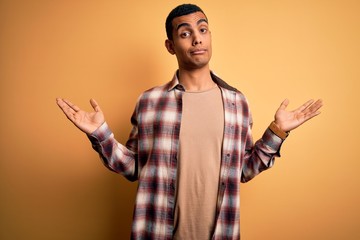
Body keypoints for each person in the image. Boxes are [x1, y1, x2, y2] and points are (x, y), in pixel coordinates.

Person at [56, 4, 323, 240]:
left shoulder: (237, 103)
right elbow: (134, 168)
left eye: (203, 30)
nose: (197, 39)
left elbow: (242, 170)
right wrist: (100, 134)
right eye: (185, 33)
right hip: (155, 231)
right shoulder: (149, 102)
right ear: (170, 46)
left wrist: (277, 132)